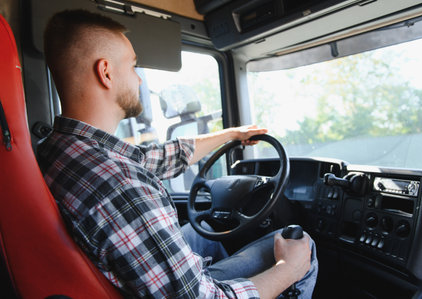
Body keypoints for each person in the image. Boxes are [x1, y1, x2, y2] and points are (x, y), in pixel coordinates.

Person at [38, 9, 318, 298]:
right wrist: (288, 268)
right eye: (133, 67)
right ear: (106, 73)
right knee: (301, 244)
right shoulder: (122, 184)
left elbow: (151, 160)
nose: (139, 81)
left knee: (204, 230)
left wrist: (232, 134)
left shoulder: (60, 148)